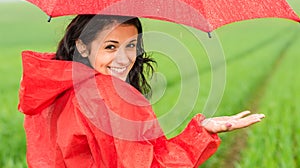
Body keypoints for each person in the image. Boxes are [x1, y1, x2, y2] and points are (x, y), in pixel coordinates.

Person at [18, 15, 265, 167]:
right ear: (82, 46)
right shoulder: (108, 94)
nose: (124, 59)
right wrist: (199, 135)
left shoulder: (57, 88)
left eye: (131, 46)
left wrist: (202, 130)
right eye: (110, 46)